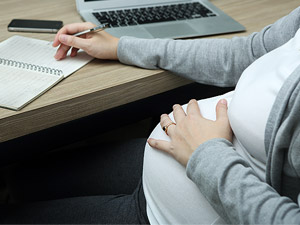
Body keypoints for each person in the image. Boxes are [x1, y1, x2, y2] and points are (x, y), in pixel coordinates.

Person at [1, 6, 300, 224]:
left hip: (171, 212)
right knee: (21, 177)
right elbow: (247, 52)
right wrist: (121, 46)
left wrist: (207, 154)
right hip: (172, 163)